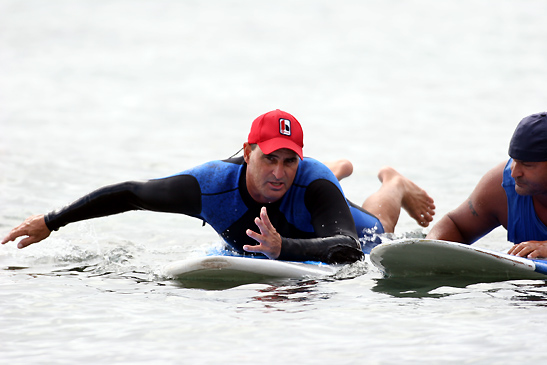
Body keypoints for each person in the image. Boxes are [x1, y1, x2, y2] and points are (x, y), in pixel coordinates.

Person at [2, 109, 435, 264]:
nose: (280, 172)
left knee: (379, 226)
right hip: (307, 203)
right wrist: (51, 221)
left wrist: (284, 249)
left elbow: (346, 248)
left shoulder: (309, 179)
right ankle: (339, 169)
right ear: (247, 151)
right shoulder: (209, 186)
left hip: (332, 217)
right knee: (311, 186)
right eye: (270, 159)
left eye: (289, 161)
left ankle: (392, 183)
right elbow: (132, 192)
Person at [426, 112, 547, 259]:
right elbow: (456, 226)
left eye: (527, 165)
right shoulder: (501, 187)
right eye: (514, 160)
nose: (514, 173)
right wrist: (426, 255)